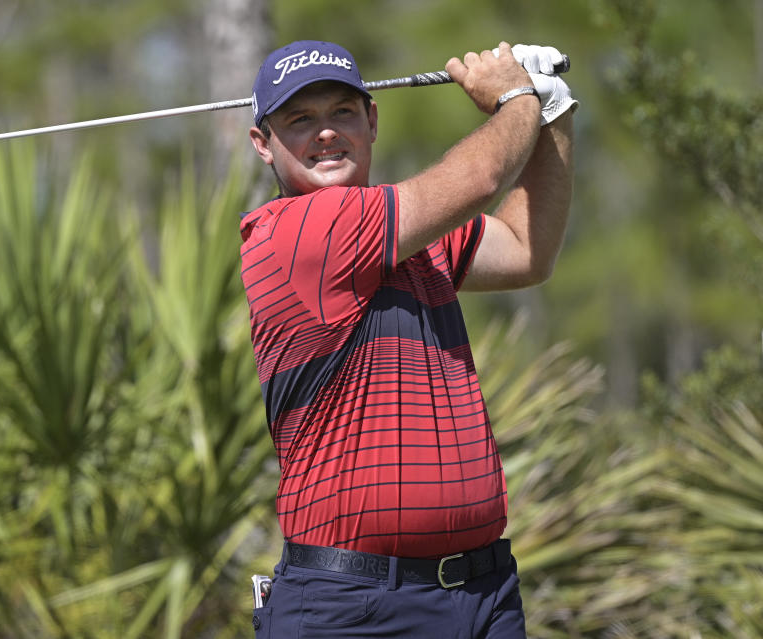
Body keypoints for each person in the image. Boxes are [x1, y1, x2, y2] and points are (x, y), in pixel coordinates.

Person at [240, 39, 577, 638]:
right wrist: (517, 94)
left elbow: (528, 251)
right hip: (352, 606)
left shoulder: (409, 233)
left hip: (483, 593)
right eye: (300, 120)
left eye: (342, 112)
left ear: (371, 121)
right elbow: (481, 175)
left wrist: (553, 112)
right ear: (263, 145)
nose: (325, 134)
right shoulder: (293, 231)